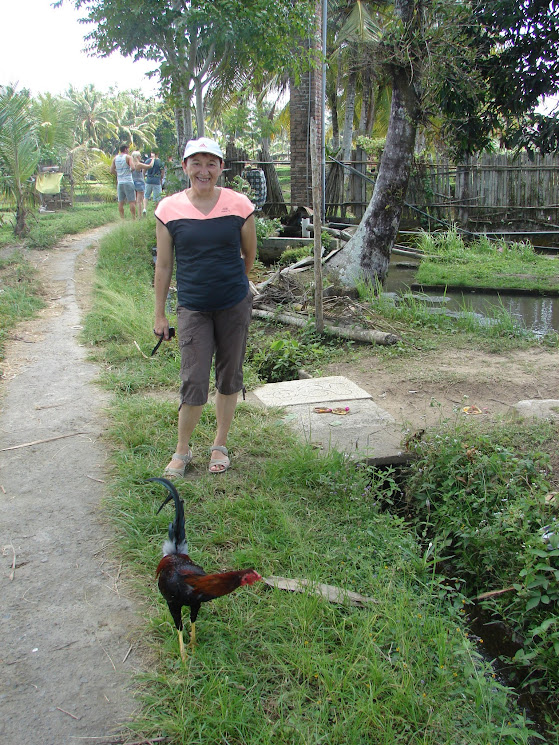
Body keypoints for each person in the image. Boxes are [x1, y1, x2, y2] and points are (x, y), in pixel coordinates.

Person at [153, 137, 257, 476]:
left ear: (221, 168)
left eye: (211, 163)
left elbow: (250, 255)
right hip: (193, 307)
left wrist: (232, 287)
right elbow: (164, 266)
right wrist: (159, 313)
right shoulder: (168, 209)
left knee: (230, 376)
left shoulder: (239, 204)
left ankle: (219, 445)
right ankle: (182, 451)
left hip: (233, 305)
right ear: (185, 167)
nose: (203, 170)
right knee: (194, 379)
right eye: (196, 163)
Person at [110, 144, 136, 219]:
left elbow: (111, 170)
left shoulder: (115, 158)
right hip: (128, 181)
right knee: (131, 201)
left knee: (120, 202)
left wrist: (118, 174)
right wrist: (129, 172)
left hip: (120, 182)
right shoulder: (128, 157)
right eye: (128, 149)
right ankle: (133, 218)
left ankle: (122, 219)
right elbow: (133, 167)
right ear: (125, 149)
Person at [131, 151, 154, 216]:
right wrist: (153, 159)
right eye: (140, 156)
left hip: (132, 182)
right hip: (139, 183)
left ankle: (133, 215)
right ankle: (139, 215)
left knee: (134, 200)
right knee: (139, 201)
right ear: (137, 157)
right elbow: (150, 166)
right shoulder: (139, 164)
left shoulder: (131, 164)